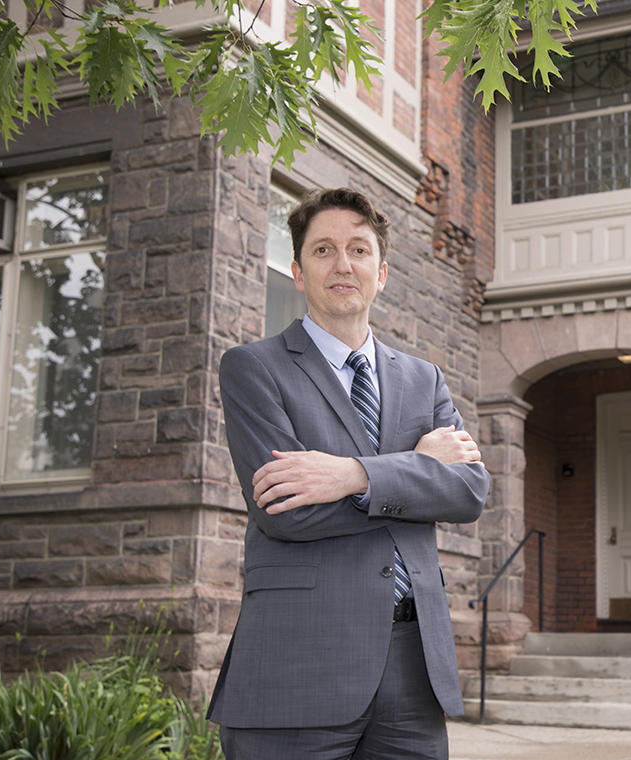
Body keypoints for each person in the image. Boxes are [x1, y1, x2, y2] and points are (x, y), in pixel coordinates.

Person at [206, 187, 488, 760]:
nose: (343, 264)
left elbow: (468, 491)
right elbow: (288, 510)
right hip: (298, 662)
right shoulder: (253, 369)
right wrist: (418, 471)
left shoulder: (423, 379)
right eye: (324, 250)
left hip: (413, 667)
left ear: (380, 273)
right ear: (297, 270)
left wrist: (353, 475)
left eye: (359, 250)